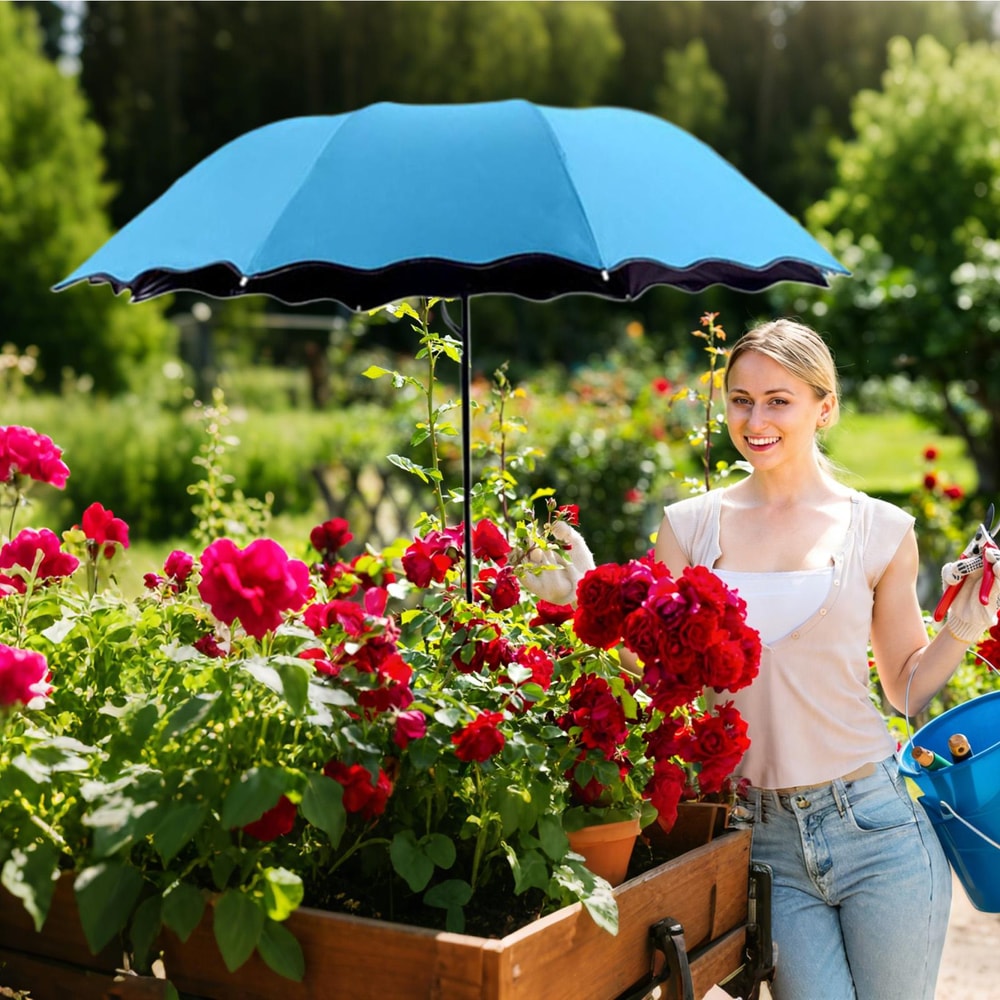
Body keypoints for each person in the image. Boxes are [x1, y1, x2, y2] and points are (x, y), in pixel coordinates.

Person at [523, 318, 1000, 1000]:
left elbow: (904, 689)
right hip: (762, 840)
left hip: (877, 827)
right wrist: (580, 601)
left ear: (823, 406)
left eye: (779, 399)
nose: (756, 418)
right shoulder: (689, 526)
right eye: (741, 399)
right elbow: (646, 675)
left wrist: (961, 626)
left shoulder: (881, 529)